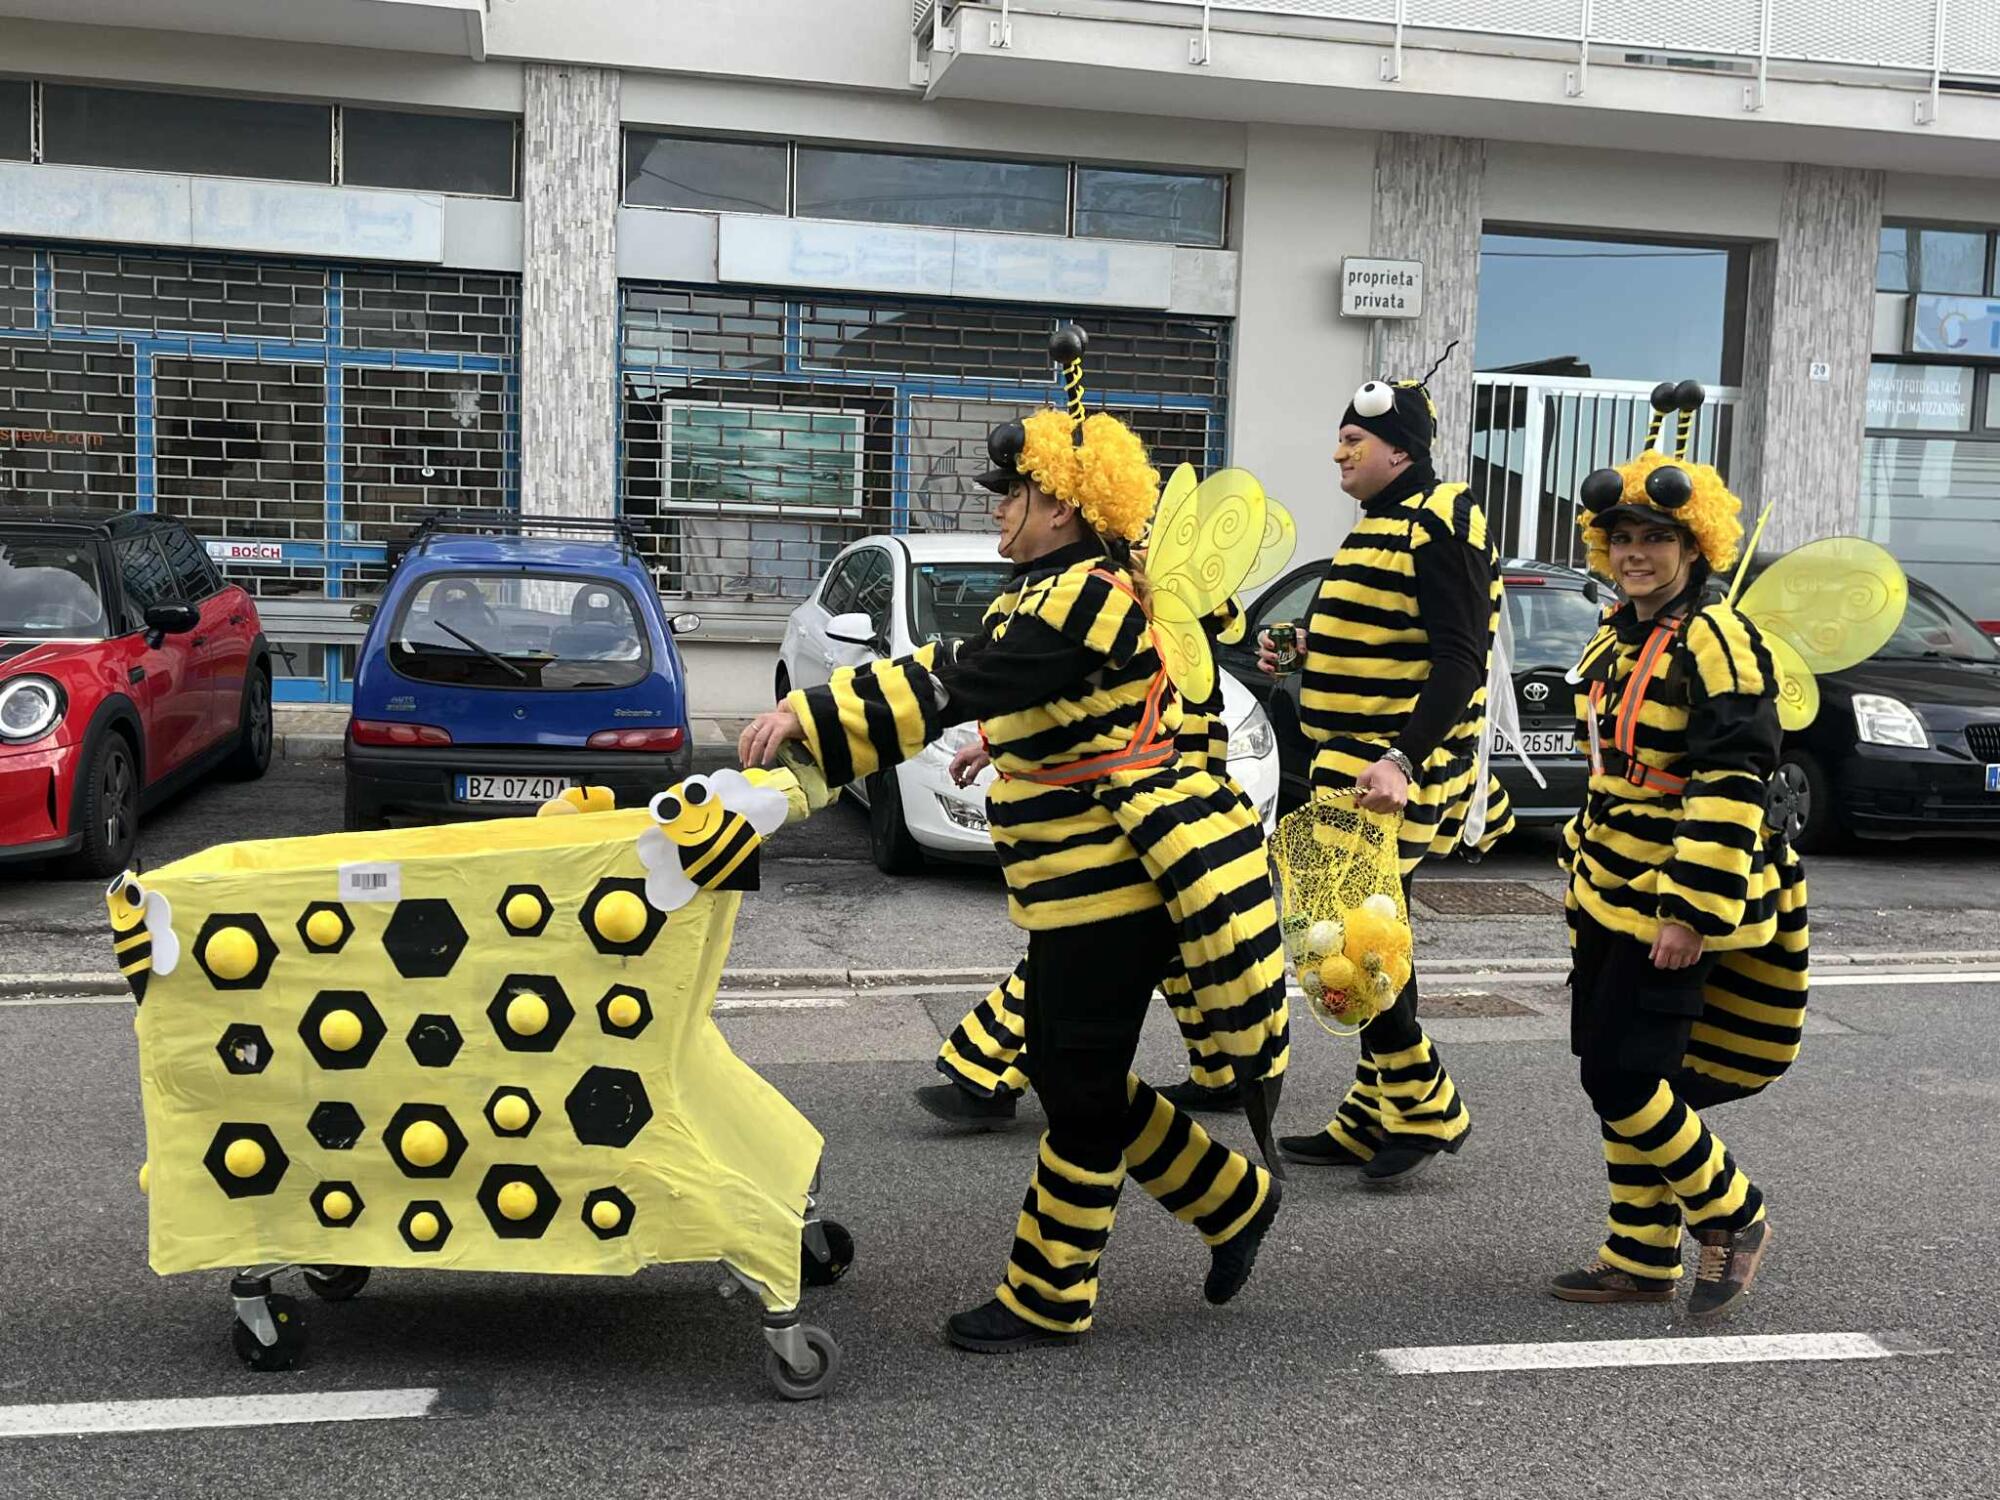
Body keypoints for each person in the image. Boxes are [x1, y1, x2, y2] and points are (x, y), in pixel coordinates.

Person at [740, 376, 1289, 1353]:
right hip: (1073, 884)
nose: (996, 507)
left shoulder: (1088, 595)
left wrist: (815, 714)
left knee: (1077, 1088)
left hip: (1112, 884)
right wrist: (1001, 738)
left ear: (1062, 507)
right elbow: (1045, 690)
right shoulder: (1059, 591)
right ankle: (1227, 1198)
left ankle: (1050, 1293)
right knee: (1068, 1068)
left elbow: (966, 676)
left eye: (1012, 493)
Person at [1549, 397, 1805, 1319]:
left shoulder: (1718, 638)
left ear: (1696, 547)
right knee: (1611, 1066)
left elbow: (1733, 777)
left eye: (1656, 537)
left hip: (1670, 891)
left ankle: (1733, 1213)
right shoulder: (1619, 630)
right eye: (1621, 537)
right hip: (1607, 882)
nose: (1635, 553)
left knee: (1626, 1076)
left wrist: (1690, 909)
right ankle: (1639, 1253)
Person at [1269, 371, 1513, 1184]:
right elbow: (1387, 637)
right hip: (1350, 768)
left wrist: (1403, 758)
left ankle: (1424, 1104)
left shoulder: (1440, 518)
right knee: (1365, 943)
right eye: (1340, 439)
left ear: (1400, 450)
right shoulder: (1383, 522)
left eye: (1354, 440)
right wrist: (1303, 650)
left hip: (1386, 773)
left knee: (1353, 944)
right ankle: (1372, 1114)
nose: (1338, 452)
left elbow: (1459, 658)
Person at [916, 595, 1260, 1130]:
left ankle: (986, 1071)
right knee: (1163, 935)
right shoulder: (1139, 584)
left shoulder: (1124, 587)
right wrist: (995, 743)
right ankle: (1224, 1071)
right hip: (1169, 764)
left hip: (1156, 773)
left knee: (1081, 936)